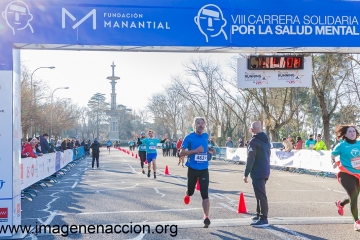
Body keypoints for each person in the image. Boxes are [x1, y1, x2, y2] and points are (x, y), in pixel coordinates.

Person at [180, 117, 216, 228]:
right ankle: (187, 194)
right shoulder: (189, 137)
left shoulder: (206, 136)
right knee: (191, 191)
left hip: (204, 169)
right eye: (198, 123)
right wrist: (195, 151)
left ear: (204, 125)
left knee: (205, 194)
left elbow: (206, 147)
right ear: (194, 125)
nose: (200, 125)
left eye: (202, 123)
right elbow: (181, 153)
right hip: (193, 169)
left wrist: (210, 150)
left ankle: (206, 217)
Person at [331, 125, 360, 231]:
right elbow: (332, 155)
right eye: (350, 131)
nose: (353, 133)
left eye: (354, 131)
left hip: (358, 174)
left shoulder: (359, 143)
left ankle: (340, 203)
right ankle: (357, 222)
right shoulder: (341, 145)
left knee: (352, 196)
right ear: (345, 134)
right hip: (345, 173)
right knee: (354, 195)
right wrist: (333, 162)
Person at [243, 121, 271, 227]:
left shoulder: (254, 141)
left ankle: (264, 218)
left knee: (261, 195)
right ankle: (259, 214)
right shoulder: (266, 140)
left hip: (258, 171)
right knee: (259, 194)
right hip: (265, 170)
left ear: (252, 130)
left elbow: (251, 159)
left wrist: (246, 174)